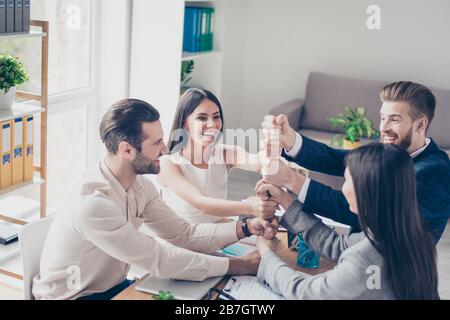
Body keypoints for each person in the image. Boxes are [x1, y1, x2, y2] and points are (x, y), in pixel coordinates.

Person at [32, 99, 278, 300]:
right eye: (157, 142)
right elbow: (160, 259)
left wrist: (244, 228)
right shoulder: (94, 205)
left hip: (111, 288)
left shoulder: (140, 186)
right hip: (74, 297)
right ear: (126, 150)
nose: (164, 148)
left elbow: (185, 235)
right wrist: (239, 265)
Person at [262, 81, 450, 242]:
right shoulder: (389, 144)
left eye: (394, 119)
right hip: (355, 251)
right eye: (382, 118)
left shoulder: (436, 173)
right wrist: (291, 140)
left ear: (421, 124)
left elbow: (368, 214)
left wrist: (292, 180)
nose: (383, 128)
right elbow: (342, 160)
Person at [255, 143, 440, 299]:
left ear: (366, 191)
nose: (343, 189)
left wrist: (266, 254)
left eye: (346, 180)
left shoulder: (367, 258)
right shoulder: (412, 235)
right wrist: (285, 200)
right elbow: (336, 245)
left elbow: (304, 291)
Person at [157, 88, 277, 223]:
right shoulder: (168, 164)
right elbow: (201, 203)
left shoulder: (224, 154)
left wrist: (272, 145)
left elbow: (257, 162)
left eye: (216, 116)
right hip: (183, 240)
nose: (213, 124)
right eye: (202, 118)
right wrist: (250, 207)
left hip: (218, 234)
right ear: (185, 123)